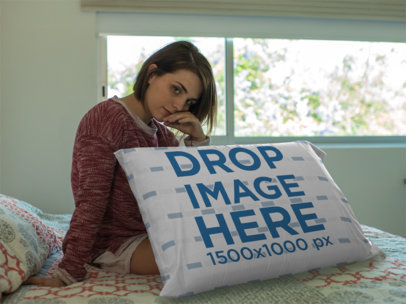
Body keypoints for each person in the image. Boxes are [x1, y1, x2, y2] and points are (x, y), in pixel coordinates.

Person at [26, 41, 217, 287]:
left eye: (189, 101)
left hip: (150, 234)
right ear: (152, 74)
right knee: (206, 252)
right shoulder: (107, 119)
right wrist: (68, 272)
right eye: (176, 90)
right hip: (115, 243)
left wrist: (198, 140)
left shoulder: (164, 134)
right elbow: (91, 202)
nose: (180, 106)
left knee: (220, 236)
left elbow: (196, 195)